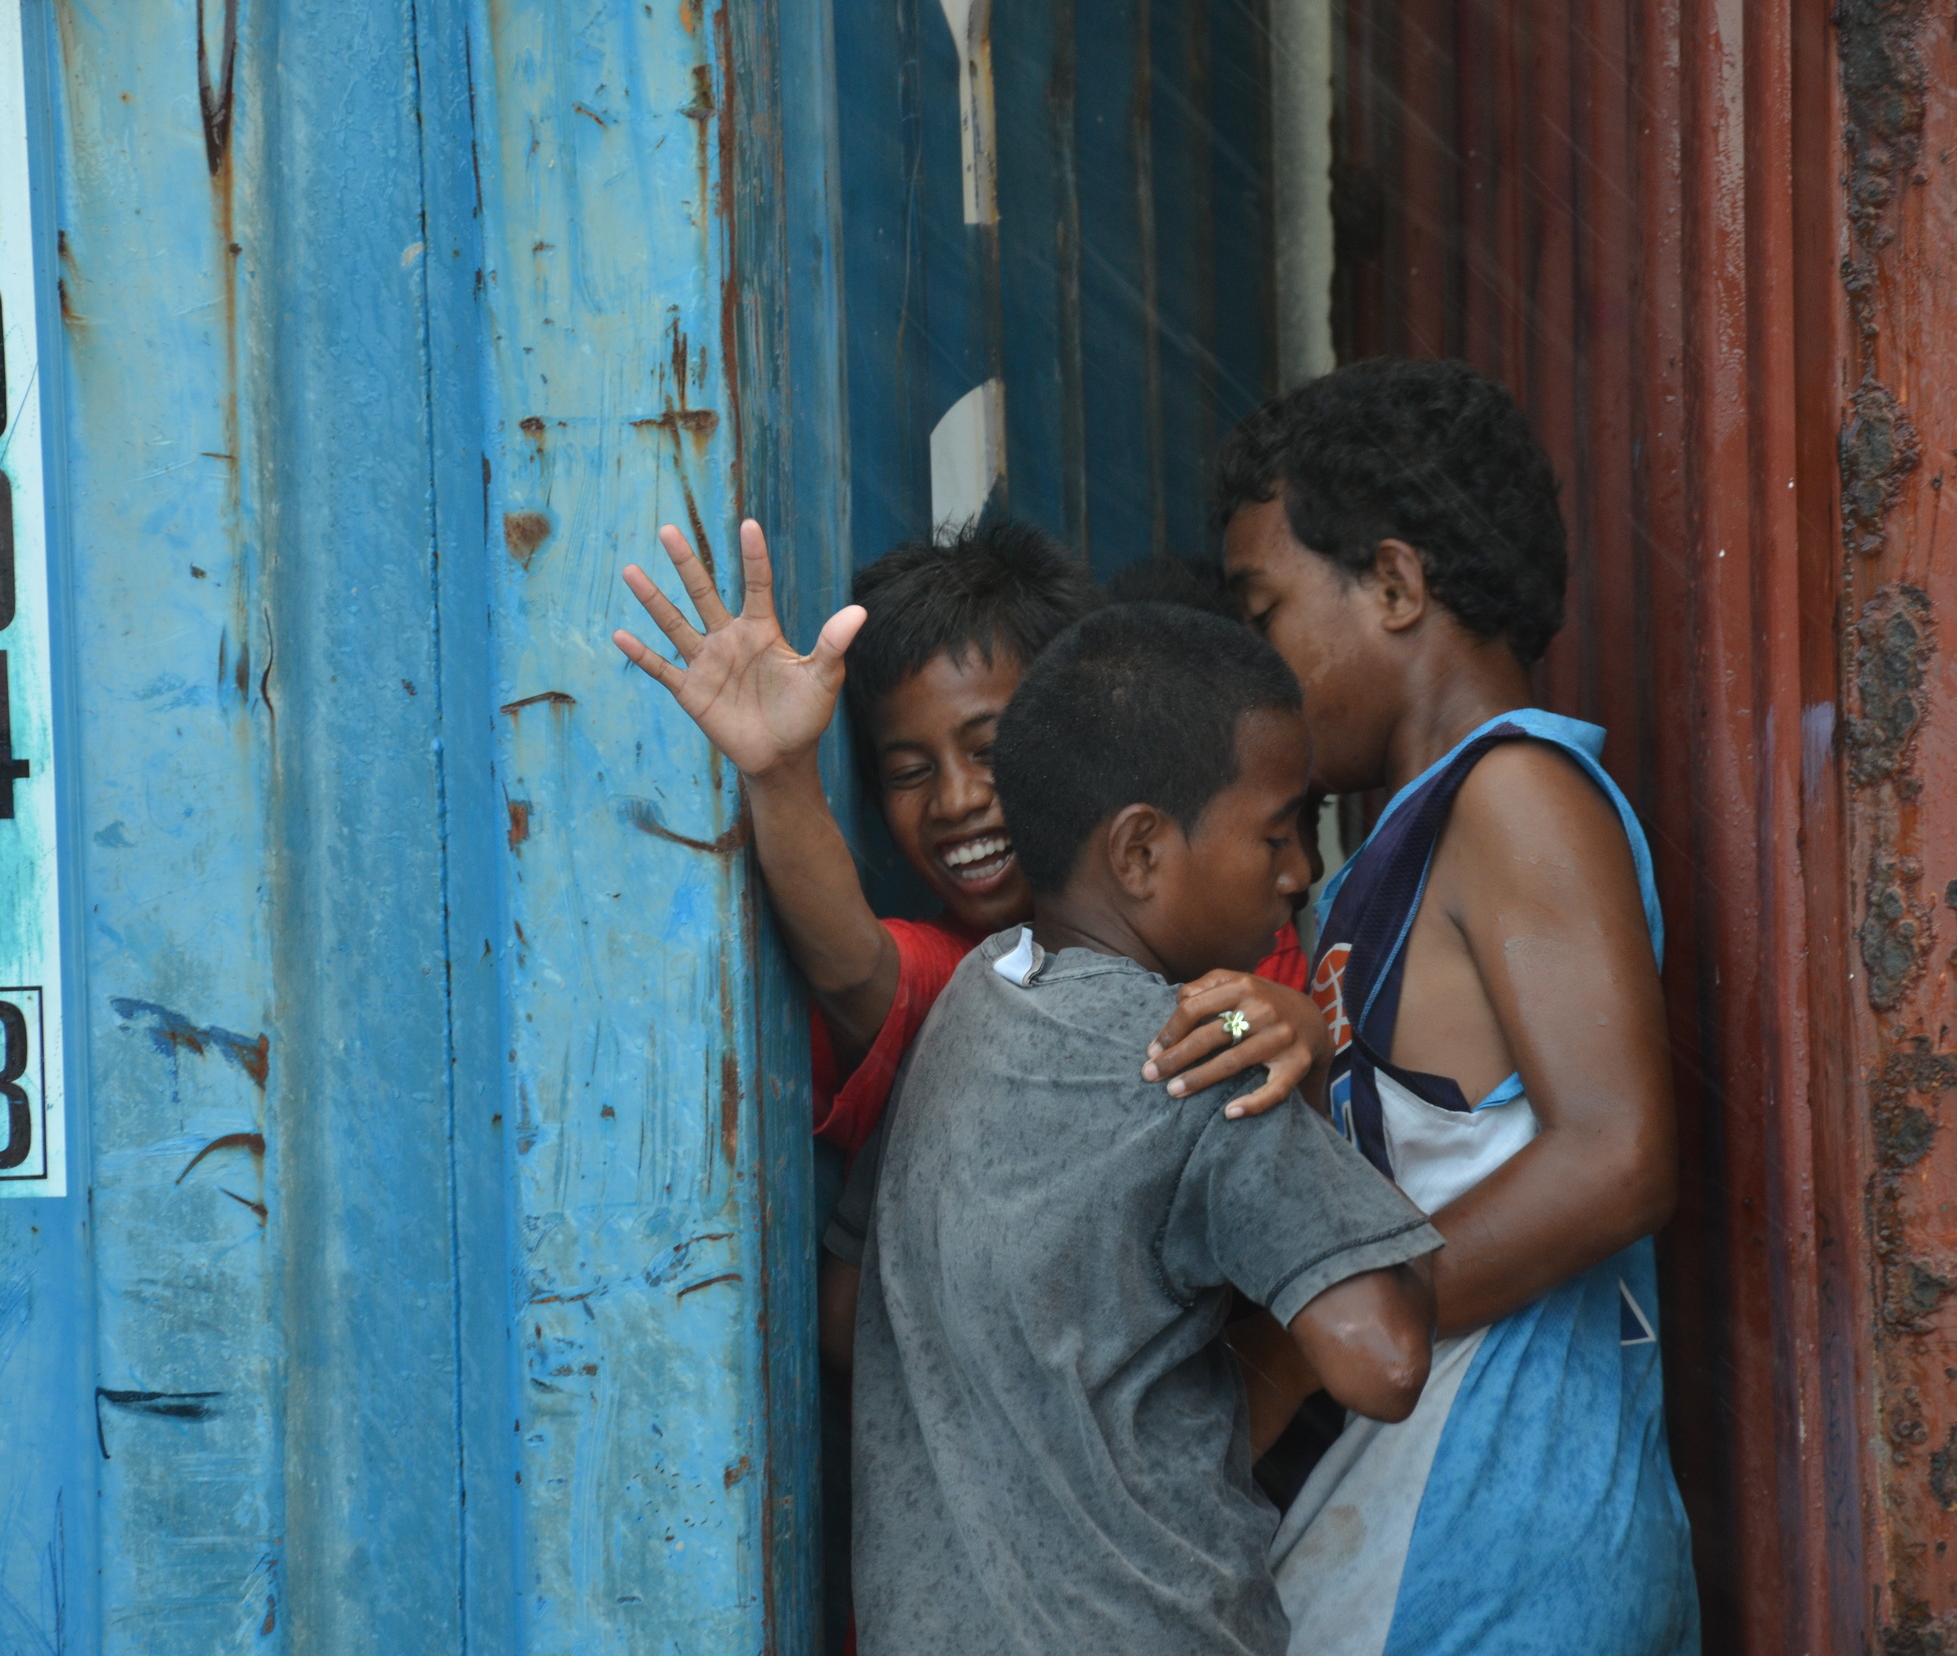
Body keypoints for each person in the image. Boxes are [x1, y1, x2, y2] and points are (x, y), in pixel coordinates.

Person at [818, 603, 1443, 1656]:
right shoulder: (1205, 1066)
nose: (1297, 872)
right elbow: (1382, 1360)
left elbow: (847, 1310)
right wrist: (1316, 1072)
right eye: (1275, 831)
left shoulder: (975, 998)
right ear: (1142, 852)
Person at [1211, 357, 1700, 1653]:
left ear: (1393, 583)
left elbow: (1621, 1154)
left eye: (1264, 617)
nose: (1251, 680)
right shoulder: (1395, 849)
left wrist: (1369, 1314)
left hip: (1521, 1552)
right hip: (1445, 1543)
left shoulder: (1517, 795)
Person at [611, 519, 1327, 1155]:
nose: (956, 801)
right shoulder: (971, 973)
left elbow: (1223, 1031)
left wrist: (1292, 1025)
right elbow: (856, 969)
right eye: (911, 771)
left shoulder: (1229, 918)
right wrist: (779, 770)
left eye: (989, 751)